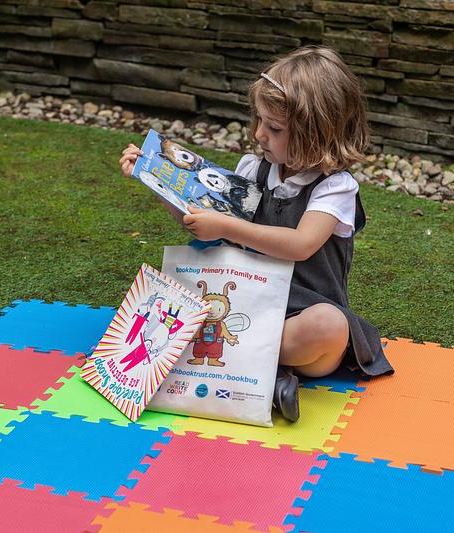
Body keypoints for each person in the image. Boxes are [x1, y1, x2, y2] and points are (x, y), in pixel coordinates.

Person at [119, 46, 394, 422]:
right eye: (260, 121)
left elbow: (300, 245)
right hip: (245, 306)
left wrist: (229, 226)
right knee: (156, 306)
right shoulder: (254, 169)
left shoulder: (336, 188)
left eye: (275, 128)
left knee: (330, 327)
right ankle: (270, 381)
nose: (259, 134)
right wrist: (154, 178)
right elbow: (200, 217)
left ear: (318, 134)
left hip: (298, 318)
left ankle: (232, 366)